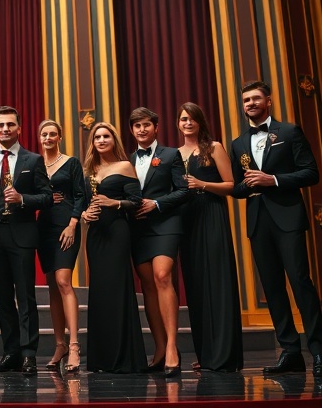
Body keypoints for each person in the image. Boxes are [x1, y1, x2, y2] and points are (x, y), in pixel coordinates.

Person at [229, 80, 322, 377]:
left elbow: (311, 173)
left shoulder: (289, 132)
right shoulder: (238, 144)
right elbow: (238, 186)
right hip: (259, 221)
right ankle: (290, 351)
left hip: (287, 217)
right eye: (246, 100)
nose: (250, 103)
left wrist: (271, 180)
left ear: (268, 101)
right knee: (272, 288)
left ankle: (320, 353)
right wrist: (238, 187)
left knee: (300, 282)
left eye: (255, 98)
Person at [0, 106, 53, 376]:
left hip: (22, 234)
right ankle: (10, 353)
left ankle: (28, 355)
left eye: (10, 125)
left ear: (19, 129)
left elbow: (47, 197)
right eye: (0, 125)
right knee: (2, 298)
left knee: (25, 297)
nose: (5, 129)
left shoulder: (33, 160)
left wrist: (24, 199)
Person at [175, 103, 243, 372]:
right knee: (196, 285)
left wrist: (202, 185)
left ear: (200, 121)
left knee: (218, 281)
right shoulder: (175, 154)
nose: (188, 123)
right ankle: (205, 353)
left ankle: (224, 355)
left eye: (192, 118)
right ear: (178, 124)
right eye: (183, 119)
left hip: (212, 214)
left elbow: (232, 186)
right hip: (186, 219)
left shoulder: (213, 147)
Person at [80, 122, 146, 373]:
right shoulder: (88, 170)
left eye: (106, 136)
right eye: (97, 137)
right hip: (95, 234)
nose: (101, 140)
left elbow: (136, 201)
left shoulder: (124, 166)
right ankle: (101, 359)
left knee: (118, 289)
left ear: (113, 139)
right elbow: (84, 203)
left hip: (118, 232)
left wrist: (114, 202)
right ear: (93, 142)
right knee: (99, 290)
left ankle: (123, 356)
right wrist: (86, 214)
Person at [128, 107, 189, 377]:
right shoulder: (127, 159)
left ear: (156, 127)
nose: (141, 130)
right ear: (132, 130)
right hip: (138, 228)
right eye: (137, 126)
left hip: (166, 223)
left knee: (163, 276)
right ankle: (160, 349)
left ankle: (174, 348)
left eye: (146, 125)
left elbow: (183, 191)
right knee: (148, 286)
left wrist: (157, 204)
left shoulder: (171, 155)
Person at [35, 119, 84, 372]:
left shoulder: (71, 163)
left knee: (64, 281)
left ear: (60, 137)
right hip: (43, 228)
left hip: (66, 226)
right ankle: (59, 345)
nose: (48, 137)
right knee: (52, 286)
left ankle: (74, 345)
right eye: (44, 134)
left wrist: (73, 224)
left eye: (53, 134)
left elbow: (81, 195)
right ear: (39, 137)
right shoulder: (34, 164)